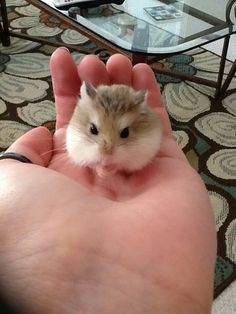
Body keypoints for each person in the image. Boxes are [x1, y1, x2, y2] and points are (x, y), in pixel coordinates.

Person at [0, 48, 216, 314]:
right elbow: (78, 146)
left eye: (123, 133)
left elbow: (144, 148)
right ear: (85, 120)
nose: (107, 149)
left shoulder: (145, 125)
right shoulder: (78, 123)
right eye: (94, 130)